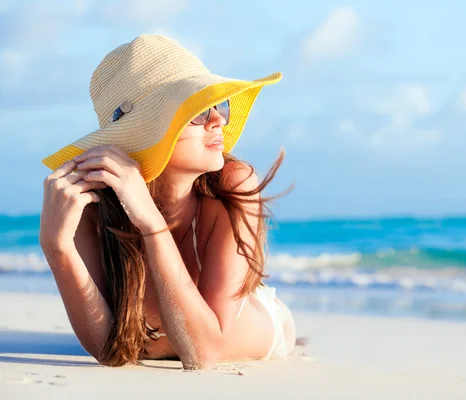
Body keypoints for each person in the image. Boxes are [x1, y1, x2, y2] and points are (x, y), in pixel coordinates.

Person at [38, 34, 296, 370]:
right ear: (144, 134)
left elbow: (202, 354)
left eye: (220, 105)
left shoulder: (231, 187)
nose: (218, 119)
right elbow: (109, 349)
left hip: (251, 321)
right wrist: (56, 247)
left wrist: (150, 223)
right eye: (198, 111)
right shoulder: (93, 204)